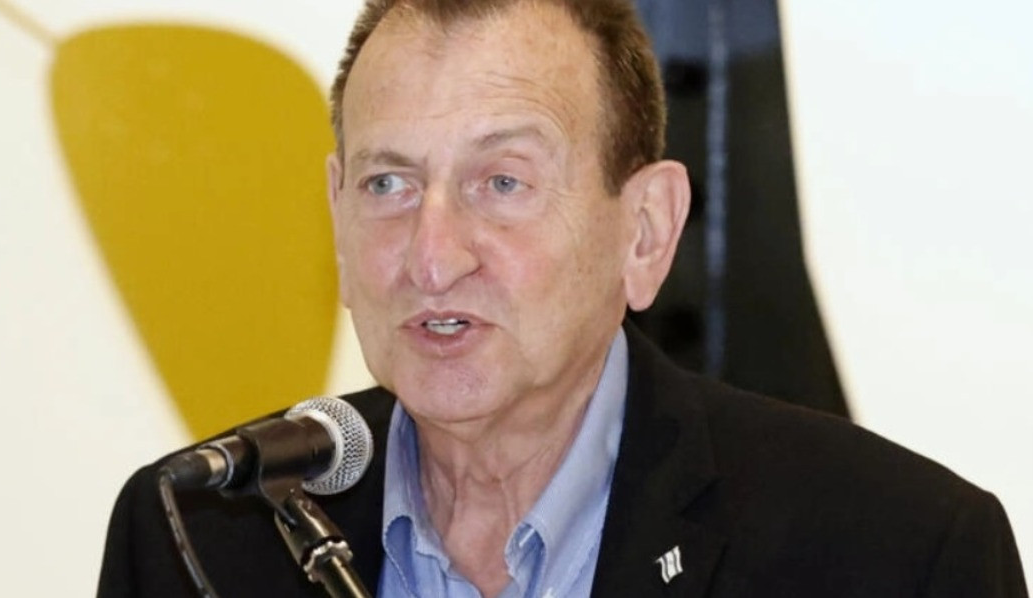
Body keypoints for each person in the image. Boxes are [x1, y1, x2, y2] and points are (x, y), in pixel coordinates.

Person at [98, 0, 1028, 596]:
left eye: (502, 182)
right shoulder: (197, 534)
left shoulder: (899, 555)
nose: (432, 257)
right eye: (389, 184)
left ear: (646, 231)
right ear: (336, 219)